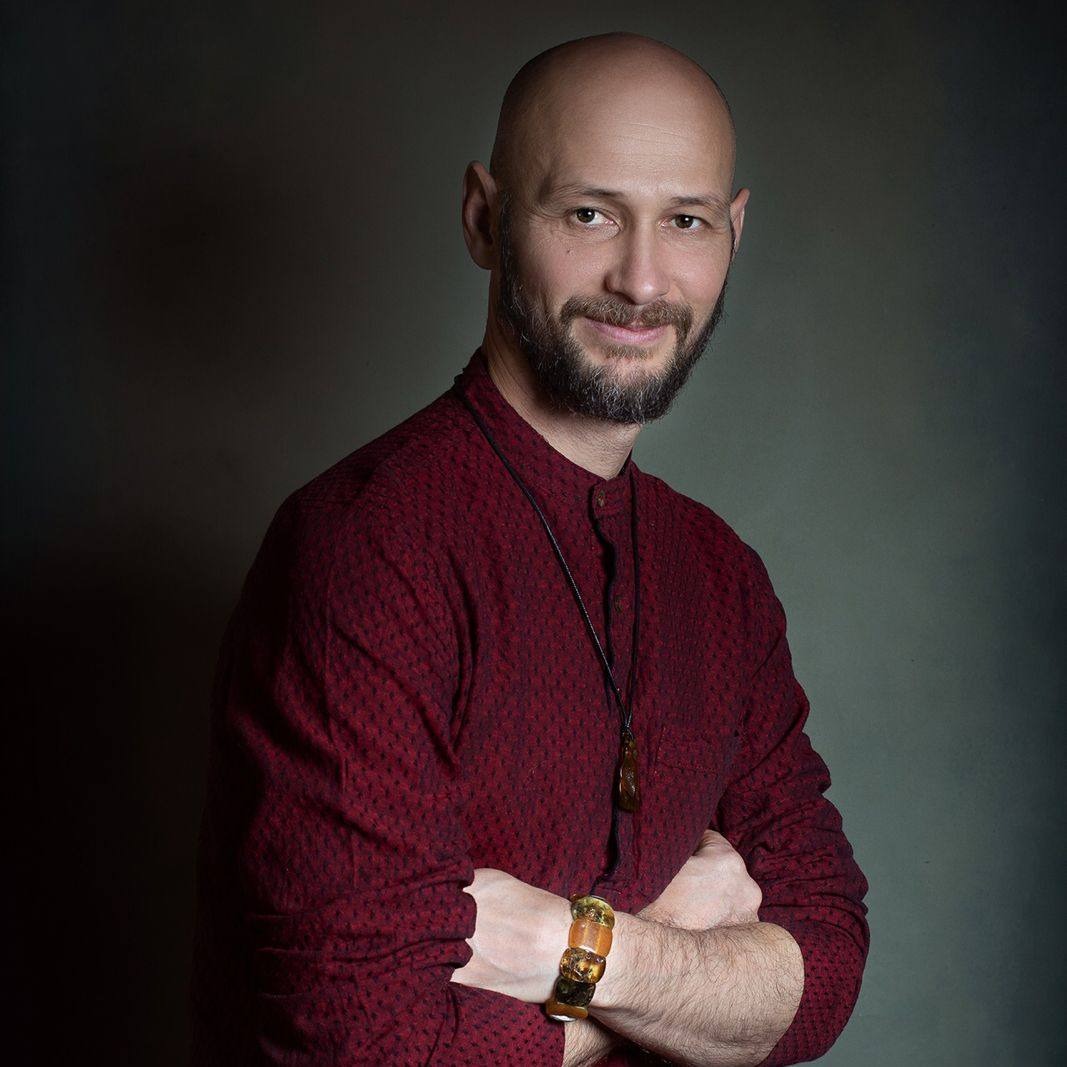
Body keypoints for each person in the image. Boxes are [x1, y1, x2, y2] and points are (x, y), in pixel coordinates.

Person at [189, 31, 869, 1067]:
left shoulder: (721, 575)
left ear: (732, 232)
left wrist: (567, 945)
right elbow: (367, 1043)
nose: (640, 279)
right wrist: (677, 964)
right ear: (485, 217)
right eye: (589, 213)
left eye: (684, 220)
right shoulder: (364, 548)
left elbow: (823, 968)